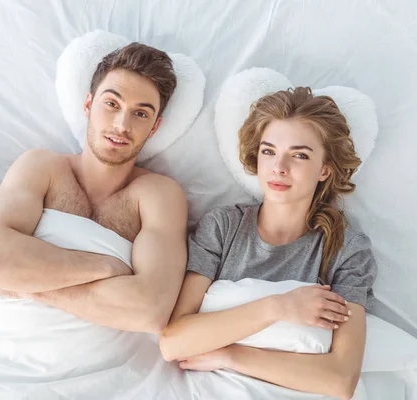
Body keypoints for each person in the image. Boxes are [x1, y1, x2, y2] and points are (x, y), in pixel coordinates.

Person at [159, 87, 377, 400]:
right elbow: (173, 342)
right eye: (269, 151)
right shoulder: (223, 227)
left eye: (300, 155)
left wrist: (229, 355)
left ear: (325, 169)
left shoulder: (346, 249)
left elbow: (341, 380)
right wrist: (279, 306)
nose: (279, 167)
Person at [0, 42, 188, 334]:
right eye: (112, 104)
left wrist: (32, 288)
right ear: (88, 105)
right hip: (10, 345)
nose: (122, 125)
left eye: (141, 114)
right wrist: (106, 267)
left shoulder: (159, 195)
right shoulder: (41, 166)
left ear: (155, 127)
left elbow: (151, 311)